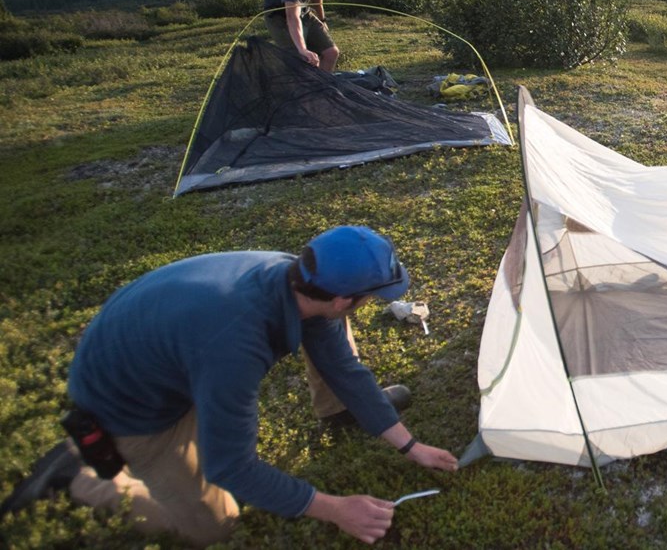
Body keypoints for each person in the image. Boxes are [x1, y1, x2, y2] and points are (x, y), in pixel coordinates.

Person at [0, 226, 457, 546]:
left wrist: (408, 445)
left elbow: (343, 368)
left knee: (330, 334)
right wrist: (334, 508)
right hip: (132, 405)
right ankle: (79, 478)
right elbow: (230, 467)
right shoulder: (234, 345)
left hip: (169, 350)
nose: (371, 303)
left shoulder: (296, 278)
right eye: (371, 296)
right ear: (343, 297)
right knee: (214, 527)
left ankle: (339, 413)